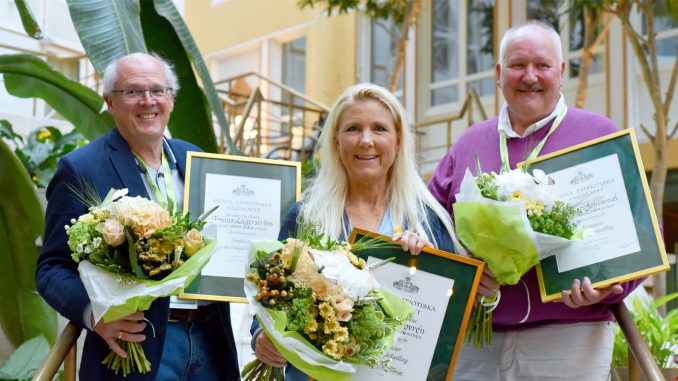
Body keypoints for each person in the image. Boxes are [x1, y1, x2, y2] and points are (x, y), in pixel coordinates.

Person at [428, 21, 642, 381]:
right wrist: (462, 270)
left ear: (560, 73)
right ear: (498, 73)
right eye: (517, 65)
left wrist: (606, 287)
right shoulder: (468, 143)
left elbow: (640, 236)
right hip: (475, 339)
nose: (530, 76)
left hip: (568, 338)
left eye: (542, 66)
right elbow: (431, 225)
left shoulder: (600, 136)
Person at [35, 52, 239, 381]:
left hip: (210, 341)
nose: (148, 101)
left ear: (171, 99)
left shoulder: (198, 159)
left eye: (158, 90)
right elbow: (51, 268)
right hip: (138, 345)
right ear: (110, 102)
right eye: (132, 91)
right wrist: (94, 314)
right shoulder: (81, 168)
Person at [251, 83, 464, 380]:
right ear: (336, 141)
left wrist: (427, 266)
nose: (366, 141)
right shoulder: (305, 217)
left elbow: (452, 321)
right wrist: (263, 339)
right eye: (352, 129)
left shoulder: (427, 221)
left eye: (379, 129)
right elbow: (267, 303)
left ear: (399, 141)